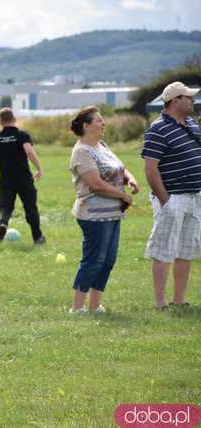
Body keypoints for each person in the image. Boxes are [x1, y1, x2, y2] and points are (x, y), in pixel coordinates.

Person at [68, 106, 139, 314]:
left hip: (113, 212)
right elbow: (95, 184)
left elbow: (119, 167)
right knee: (93, 260)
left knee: (108, 259)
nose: (103, 123)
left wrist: (130, 179)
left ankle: (94, 305)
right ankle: (77, 307)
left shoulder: (102, 145)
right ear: (86, 125)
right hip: (93, 214)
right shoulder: (81, 151)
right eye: (99, 120)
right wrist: (123, 196)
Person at [142, 81, 201, 310]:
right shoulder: (157, 128)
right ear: (174, 100)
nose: (193, 100)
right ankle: (160, 302)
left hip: (195, 196)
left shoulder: (192, 124)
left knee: (186, 250)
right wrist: (165, 201)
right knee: (164, 250)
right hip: (173, 197)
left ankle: (179, 300)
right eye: (188, 97)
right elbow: (150, 168)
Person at [0, 107, 45, 244]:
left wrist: (3, 154)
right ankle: (37, 237)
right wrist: (39, 168)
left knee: (6, 206)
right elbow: (29, 151)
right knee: (30, 207)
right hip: (24, 178)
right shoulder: (22, 135)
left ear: (1, 121)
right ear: (14, 119)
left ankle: (3, 223)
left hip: (6, 179)